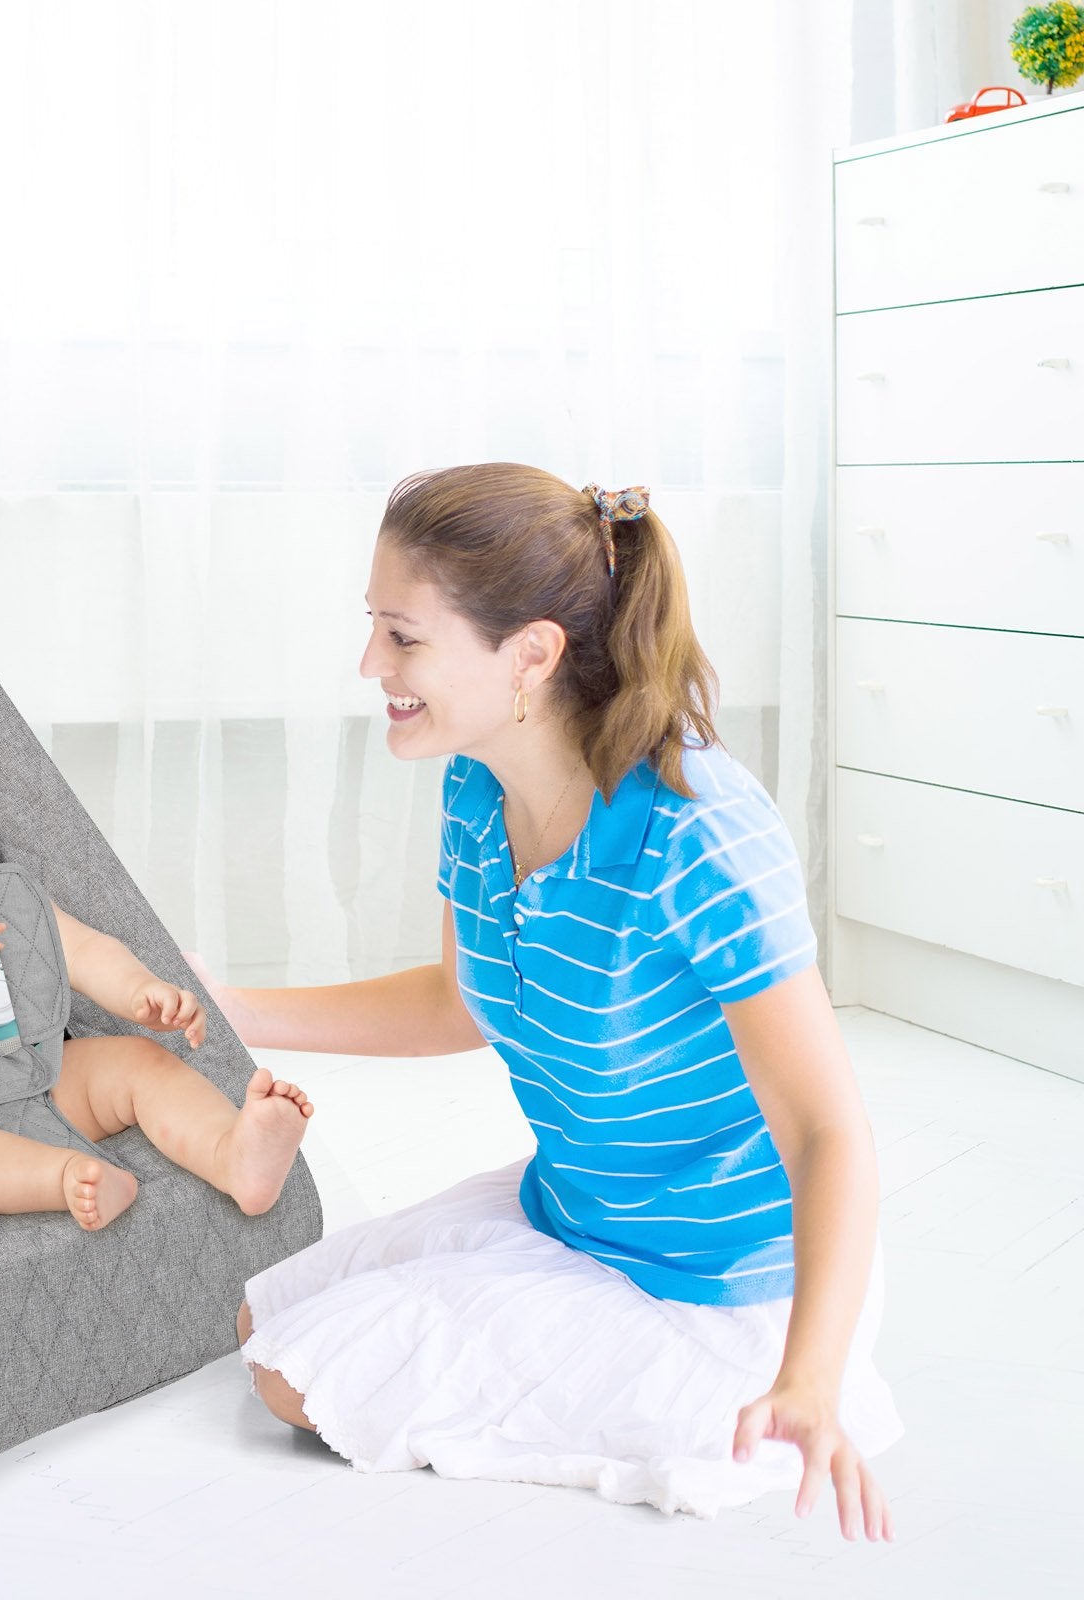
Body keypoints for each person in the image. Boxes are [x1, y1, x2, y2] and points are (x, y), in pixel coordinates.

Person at [199, 463, 902, 1534]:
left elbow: (826, 1131)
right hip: (572, 1211)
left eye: (402, 636)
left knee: (292, 1382)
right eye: (372, 628)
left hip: (718, 1288)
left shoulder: (697, 834)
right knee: (265, 1318)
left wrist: (810, 1373)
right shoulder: (476, 782)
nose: (369, 664)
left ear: (529, 652)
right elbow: (457, 1002)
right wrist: (231, 1004)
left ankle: (720, 1405)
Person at [0, 675, 313, 1229]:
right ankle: (66, 1176)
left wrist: (139, 990)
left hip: (38, 1071)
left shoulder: (6, 894)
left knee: (137, 1061)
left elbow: (84, 949)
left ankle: (233, 1155)